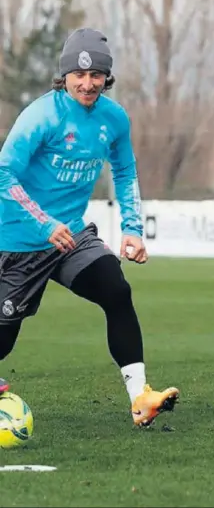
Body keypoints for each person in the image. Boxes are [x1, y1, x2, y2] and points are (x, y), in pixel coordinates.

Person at [0, 28, 179, 427]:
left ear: (106, 77)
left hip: (72, 237)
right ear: (64, 76)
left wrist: (132, 228)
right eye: (79, 75)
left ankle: (140, 398)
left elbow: (125, 170)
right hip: (19, 238)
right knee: (3, 339)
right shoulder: (41, 116)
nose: (87, 82)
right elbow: (4, 173)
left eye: (97, 74)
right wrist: (44, 224)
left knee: (116, 290)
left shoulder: (113, 119)